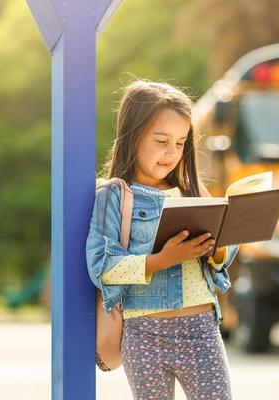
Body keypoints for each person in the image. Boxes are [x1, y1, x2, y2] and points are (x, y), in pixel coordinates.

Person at [86, 79, 239, 399]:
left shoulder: (192, 192)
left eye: (181, 143)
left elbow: (222, 257)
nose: (172, 153)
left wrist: (218, 248)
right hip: (144, 333)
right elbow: (101, 265)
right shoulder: (115, 195)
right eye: (161, 140)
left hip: (201, 330)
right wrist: (162, 259)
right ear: (134, 137)